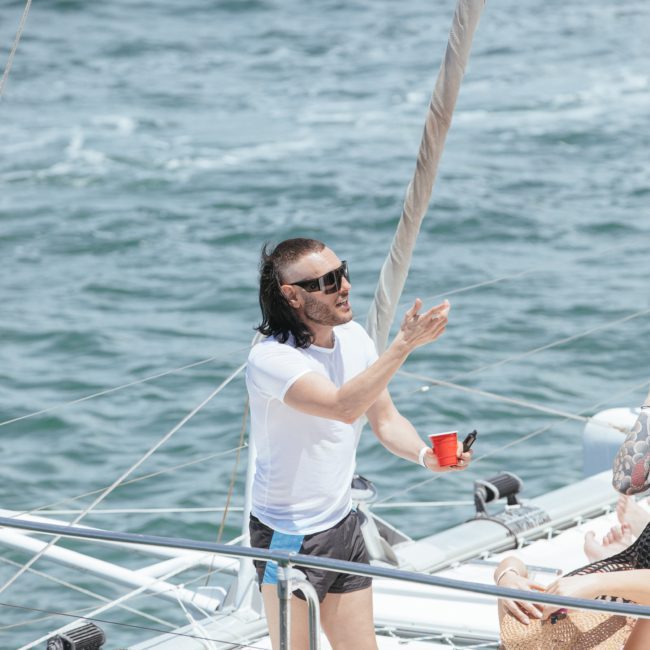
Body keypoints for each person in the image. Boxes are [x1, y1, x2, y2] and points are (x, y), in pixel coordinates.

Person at [245, 237, 473, 650]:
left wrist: (426, 456)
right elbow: (342, 407)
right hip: (289, 535)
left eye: (343, 271)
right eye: (328, 281)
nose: (345, 285)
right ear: (292, 295)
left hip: (342, 525)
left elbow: (384, 419)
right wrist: (403, 345)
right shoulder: (272, 360)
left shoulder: (353, 339)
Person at [494, 522, 650, 650]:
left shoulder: (520, 639)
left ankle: (611, 558)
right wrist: (596, 582)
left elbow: (512, 563)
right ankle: (612, 558)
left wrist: (507, 576)